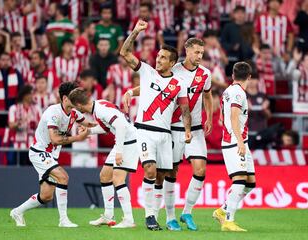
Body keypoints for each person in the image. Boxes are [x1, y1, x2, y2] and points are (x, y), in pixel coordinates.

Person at [123, 38, 212, 231]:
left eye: (201, 53)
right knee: (167, 174)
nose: (199, 56)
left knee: (200, 170)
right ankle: (168, 217)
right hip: (169, 128)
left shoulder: (205, 74)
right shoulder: (168, 71)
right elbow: (151, 84)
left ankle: (186, 212)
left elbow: (206, 96)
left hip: (192, 129)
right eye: (196, 52)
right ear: (187, 51)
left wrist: (209, 117)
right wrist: (131, 91)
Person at [120, 19, 192, 231]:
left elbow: (185, 110)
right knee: (150, 170)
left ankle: (160, 216)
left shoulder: (179, 84)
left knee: (161, 176)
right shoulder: (147, 72)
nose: (158, 59)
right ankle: (149, 216)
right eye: (158, 56)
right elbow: (125, 53)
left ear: (172, 63)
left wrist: (187, 131)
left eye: (163, 58)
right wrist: (135, 31)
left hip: (165, 134)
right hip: (144, 131)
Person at [10, 82, 95, 227]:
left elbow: (89, 124)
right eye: (72, 97)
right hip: (40, 152)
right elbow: (55, 139)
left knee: (46, 196)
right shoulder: (53, 113)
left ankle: (17, 211)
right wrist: (78, 138)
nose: (76, 100)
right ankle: (63, 220)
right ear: (64, 98)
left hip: (51, 156)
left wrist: (107, 126)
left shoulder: (74, 112)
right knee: (63, 177)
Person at [69, 88, 138, 228]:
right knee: (105, 176)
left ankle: (129, 220)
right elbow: (108, 128)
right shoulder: (99, 105)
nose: (74, 110)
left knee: (118, 179)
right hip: (122, 141)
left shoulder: (100, 110)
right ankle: (108, 216)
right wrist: (89, 131)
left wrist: (119, 151)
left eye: (74, 107)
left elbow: (120, 126)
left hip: (128, 142)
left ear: (79, 105)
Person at [213, 61, 255, 232]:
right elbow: (233, 117)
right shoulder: (238, 93)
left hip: (239, 140)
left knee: (250, 183)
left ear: (233, 76)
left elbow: (225, 117)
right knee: (239, 180)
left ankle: (222, 210)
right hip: (234, 141)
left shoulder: (228, 91)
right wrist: (239, 140)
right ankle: (229, 221)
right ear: (249, 77)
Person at [8, 85, 42, 165]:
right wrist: (21, 122)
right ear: (25, 95)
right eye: (30, 93)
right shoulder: (14, 108)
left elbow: (42, 126)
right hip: (19, 145)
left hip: (34, 145)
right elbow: (11, 126)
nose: (32, 96)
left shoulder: (37, 108)